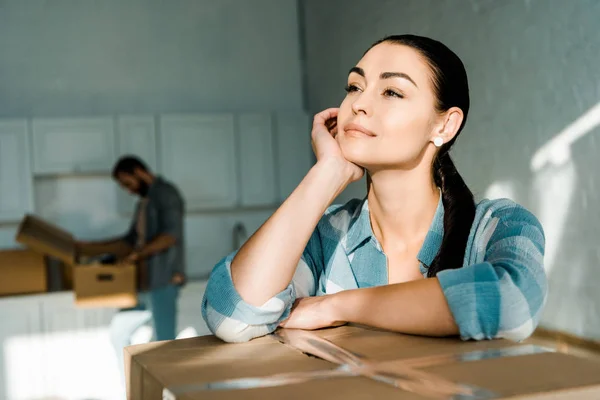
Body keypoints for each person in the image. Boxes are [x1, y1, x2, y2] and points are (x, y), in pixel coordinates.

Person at [201, 34, 547, 343]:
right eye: (355, 86)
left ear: (444, 124)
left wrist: (336, 307)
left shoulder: (496, 225)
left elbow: (512, 305)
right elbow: (233, 318)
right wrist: (327, 173)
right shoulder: (327, 237)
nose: (359, 104)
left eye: (392, 92)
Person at [77, 156, 185, 370]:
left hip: (163, 280)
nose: (128, 190)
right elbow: (129, 240)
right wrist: (90, 247)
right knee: (118, 333)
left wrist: (137, 255)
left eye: (128, 183)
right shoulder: (144, 203)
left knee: (164, 343)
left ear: (139, 172)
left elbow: (170, 236)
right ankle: (133, 390)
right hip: (142, 285)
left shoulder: (166, 194)